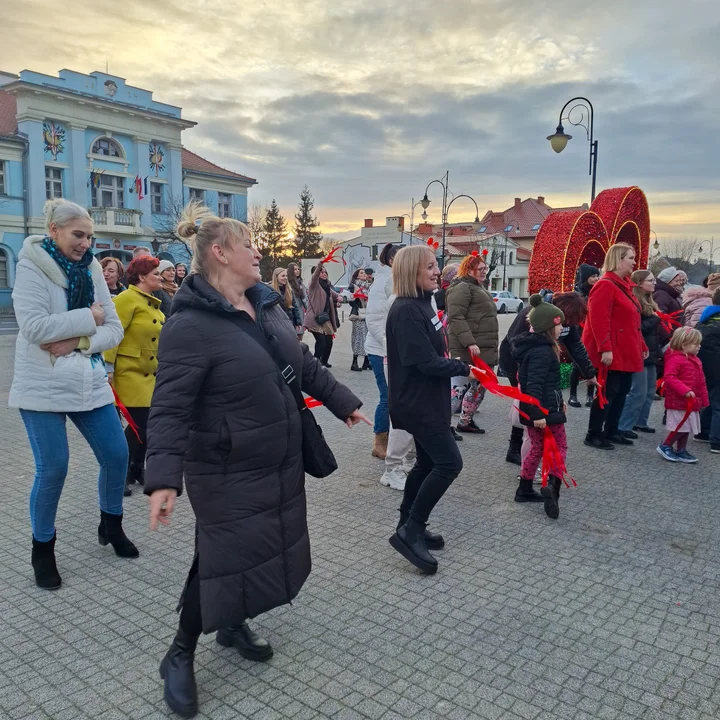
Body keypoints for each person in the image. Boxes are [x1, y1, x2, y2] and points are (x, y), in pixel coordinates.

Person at [143, 203, 366, 718]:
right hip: (224, 465)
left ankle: (233, 620)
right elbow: (170, 407)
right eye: (249, 245)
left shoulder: (264, 304)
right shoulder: (190, 324)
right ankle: (179, 652)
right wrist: (162, 480)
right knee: (222, 553)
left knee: (253, 546)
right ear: (220, 253)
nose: (260, 252)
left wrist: (343, 401)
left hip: (276, 458)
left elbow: (301, 362)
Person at [9, 199, 136, 590]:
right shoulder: (30, 263)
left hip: (88, 379)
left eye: (90, 236)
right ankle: (42, 549)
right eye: (78, 235)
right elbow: (33, 327)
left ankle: (110, 524)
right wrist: (90, 317)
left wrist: (80, 337)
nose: (86, 243)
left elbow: (114, 329)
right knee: (54, 468)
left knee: (117, 455)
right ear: (54, 231)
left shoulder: (93, 267)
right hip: (42, 385)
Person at [385, 245, 471, 574]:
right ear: (411, 272)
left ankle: (409, 523)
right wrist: (462, 367)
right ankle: (410, 531)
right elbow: (421, 361)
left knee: (427, 462)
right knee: (449, 463)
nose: (437, 271)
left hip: (428, 400)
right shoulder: (406, 310)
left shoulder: (426, 302)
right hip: (417, 403)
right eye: (430, 267)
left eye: (436, 266)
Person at [499, 291, 595, 465]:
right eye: (567, 321)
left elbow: (576, 346)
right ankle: (516, 449)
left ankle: (528, 447)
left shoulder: (564, 320)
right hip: (517, 363)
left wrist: (590, 373)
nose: (568, 325)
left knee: (532, 404)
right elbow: (515, 343)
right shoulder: (532, 313)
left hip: (538, 365)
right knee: (525, 405)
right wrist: (527, 372)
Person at [104, 256, 165, 496]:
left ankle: (137, 469)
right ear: (141, 277)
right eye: (156, 274)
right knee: (141, 425)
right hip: (128, 373)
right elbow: (112, 334)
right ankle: (119, 474)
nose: (160, 277)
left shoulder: (151, 302)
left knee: (147, 427)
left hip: (149, 374)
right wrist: (108, 367)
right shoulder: (127, 299)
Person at [582, 243, 648, 450]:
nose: (633, 262)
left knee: (621, 391)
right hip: (613, 350)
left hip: (625, 348)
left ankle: (611, 430)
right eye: (630, 258)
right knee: (608, 392)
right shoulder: (606, 285)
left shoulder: (623, 286)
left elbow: (632, 320)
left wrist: (642, 344)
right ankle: (594, 433)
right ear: (618, 260)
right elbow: (598, 319)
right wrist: (605, 348)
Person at [511, 295, 568, 518]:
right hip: (543, 412)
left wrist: (559, 402)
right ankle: (553, 487)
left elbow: (546, 384)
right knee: (560, 446)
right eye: (559, 323)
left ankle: (524, 487)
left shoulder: (537, 348)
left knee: (536, 447)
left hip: (542, 409)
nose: (562, 327)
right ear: (548, 326)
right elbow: (533, 385)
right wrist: (538, 414)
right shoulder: (543, 352)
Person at [365, 242, 414, 475]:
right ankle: (380, 442)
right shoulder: (384, 281)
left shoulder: (400, 280)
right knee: (387, 397)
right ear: (393, 260)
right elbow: (374, 319)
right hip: (380, 350)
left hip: (396, 351)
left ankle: (396, 442)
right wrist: (390, 347)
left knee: (394, 397)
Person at [445, 253, 498, 435]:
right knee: (458, 388)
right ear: (469, 270)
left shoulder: (478, 287)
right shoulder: (462, 288)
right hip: (469, 349)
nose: (484, 272)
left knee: (479, 388)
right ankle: (442, 426)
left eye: (485, 268)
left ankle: (465, 421)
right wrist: (469, 342)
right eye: (480, 269)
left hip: (483, 349)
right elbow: (456, 317)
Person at [617, 271, 665, 437]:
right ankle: (624, 425)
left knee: (650, 391)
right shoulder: (635, 302)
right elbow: (637, 328)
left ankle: (640, 422)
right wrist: (655, 319)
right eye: (650, 281)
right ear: (639, 283)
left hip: (649, 351)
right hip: (638, 351)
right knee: (638, 391)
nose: (654, 283)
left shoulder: (649, 302)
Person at [657, 327, 709, 463]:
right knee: (681, 426)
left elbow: (701, 381)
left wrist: (704, 399)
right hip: (679, 401)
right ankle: (666, 445)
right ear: (684, 345)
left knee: (688, 427)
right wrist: (685, 390)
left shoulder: (695, 360)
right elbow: (670, 377)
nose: (699, 346)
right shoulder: (675, 360)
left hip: (690, 401)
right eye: (695, 344)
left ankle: (681, 449)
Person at [569, 263, 600, 407]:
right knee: (577, 364)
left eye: (597, 275)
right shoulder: (578, 293)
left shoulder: (598, 291)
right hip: (580, 330)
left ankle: (589, 396)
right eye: (593, 276)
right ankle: (573, 395)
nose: (596, 278)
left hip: (593, 330)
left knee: (592, 363)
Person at [697, 288, 720, 452]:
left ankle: (703, 431)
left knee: (712, 399)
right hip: (717, 363)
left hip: (705, 363)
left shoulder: (706, 316)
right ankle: (717, 441)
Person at [305, 263, 340, 368]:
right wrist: (319, 266)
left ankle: (324, 361)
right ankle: (315, 363)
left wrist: (339, 299)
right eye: (321, 272)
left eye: (325, 272)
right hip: (314, 318)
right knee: (321, 342)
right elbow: (314, 277)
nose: (324, 274)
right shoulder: (313, 284)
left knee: (329, 341)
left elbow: (335, 296)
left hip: (324, 318)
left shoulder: (327, 286)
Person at [348, 268, 371, 371]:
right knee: (357, 338)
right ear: (357, 276)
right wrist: (354, 296)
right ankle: (354, 362)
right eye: (361, 273)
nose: (364, 274)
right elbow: (350, 301)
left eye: (364, 273)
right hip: (358, 314)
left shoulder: (368, 286)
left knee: (367, 337)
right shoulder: (354, 286)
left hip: (367, 314)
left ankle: (366, 362)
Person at [271, 267, 303, 335]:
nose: (285, 278)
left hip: (290, 322)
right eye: (283, 276)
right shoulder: (271, 290)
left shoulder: (289, 290)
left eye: (286, 276)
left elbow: (294, 307)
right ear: (276, 277)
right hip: (277, 324)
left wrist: (298, 323)